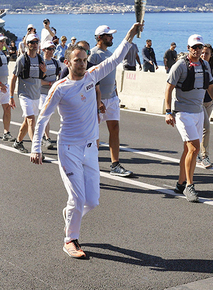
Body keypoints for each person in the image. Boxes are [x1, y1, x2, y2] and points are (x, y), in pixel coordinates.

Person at [30, 22, 143, 259]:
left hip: (91, 148)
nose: (81, 64)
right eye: (77, 60)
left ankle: (71, 214)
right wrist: (36, 147)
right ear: (67, 63)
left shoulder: (92, 76)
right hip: (68, 148)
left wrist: (129, 36)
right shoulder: (60, 88)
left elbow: (114, 60)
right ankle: (70, 239)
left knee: (91, 201)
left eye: (84, 60)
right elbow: (42, 119)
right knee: (77, 197)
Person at [165, 34, 213, 202]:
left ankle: (180, 183)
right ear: (188, 48)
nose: (197, 50)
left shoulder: (206, 65)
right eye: (194, 47)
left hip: (198, 112)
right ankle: (189, 186)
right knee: (194, 148)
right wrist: (168, 111)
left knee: (188, 149)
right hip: (183, 113)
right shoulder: (180, 65)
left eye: (199, 47)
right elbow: (169, 88)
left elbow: (210, 87)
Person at [89, 25, 133, 177]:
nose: (112, 38)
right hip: (98, 99)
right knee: (93, 133)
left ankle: (115, 164)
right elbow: (91, 78)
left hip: (112, 98)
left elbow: (111, 76)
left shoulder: (110, 53)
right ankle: (91, 162)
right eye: (109, 35)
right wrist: (98, 100)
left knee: (114, 129)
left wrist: (115, 93)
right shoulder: (93, 55)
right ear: (100, 37)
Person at [9, 33, 45, 153]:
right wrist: (11, 97)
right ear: (27, 44)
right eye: (32, 43)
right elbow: (14, 78)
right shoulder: (22, 59)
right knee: (31, 121)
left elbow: (41, 76)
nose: (35, 45)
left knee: (27, 121)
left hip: (36, 95)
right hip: (24, 95)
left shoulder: (40, 58)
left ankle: (18, 142)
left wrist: (44, 72)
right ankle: (36, 149)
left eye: (36, 42)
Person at [39, 40, 62, 150]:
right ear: (43, 50)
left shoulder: (56, 62)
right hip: (42, 93)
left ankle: (43, 135)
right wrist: (49, 83)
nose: (51, 51)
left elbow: (59, 76)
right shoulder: (40, 62)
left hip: (53, 93)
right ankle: (46, 138)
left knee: (49, 116)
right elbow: (37, 81)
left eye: (53, 49)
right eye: (49, 49)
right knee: (45, 116)